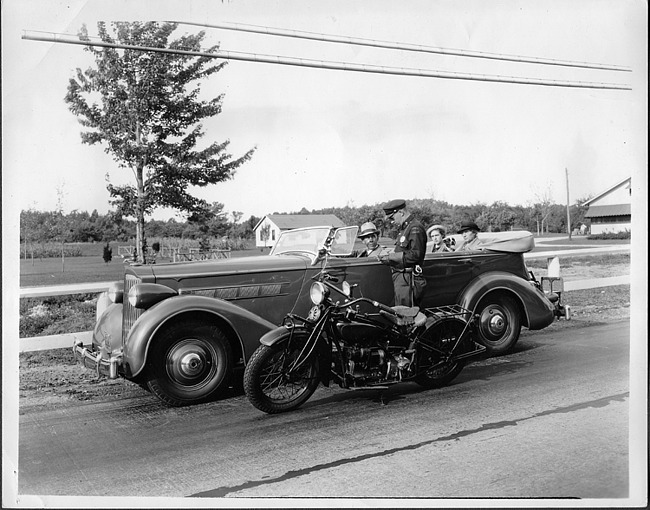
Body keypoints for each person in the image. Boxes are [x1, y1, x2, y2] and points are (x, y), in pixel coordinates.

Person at [377, 199, 427, 306]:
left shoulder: (415, 228)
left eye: (392, 217)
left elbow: (416, 255)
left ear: (401, 212)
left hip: (409, 280)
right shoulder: (405, 228)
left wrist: (390, 258)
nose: (391, 221)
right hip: (403, 279)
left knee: (408, 315)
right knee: (401, 313)